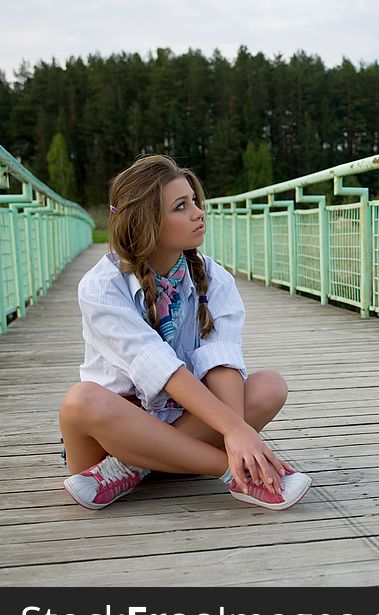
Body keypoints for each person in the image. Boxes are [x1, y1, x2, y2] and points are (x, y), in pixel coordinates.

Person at [58, 154, 310, 511]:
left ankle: (129, 470)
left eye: (194, 201)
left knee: (270, 386)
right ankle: (234, 473)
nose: (198, 212)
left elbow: (221, 359)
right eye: (181, 206)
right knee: (81, 400)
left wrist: (235, 428)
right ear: (147, 222)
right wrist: (234, 437)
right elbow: (160, 367)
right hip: (109, 440)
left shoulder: (213, 276)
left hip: (183, 422)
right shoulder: (101, 287)